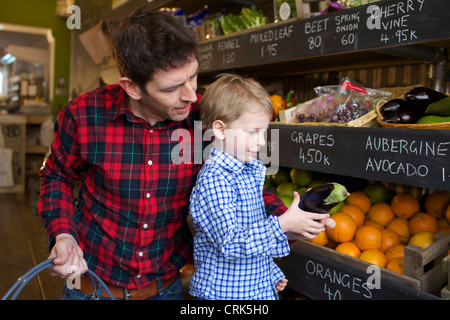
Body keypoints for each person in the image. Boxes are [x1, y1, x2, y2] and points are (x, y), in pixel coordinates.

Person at [38, 5, 330, 300]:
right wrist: (63, 235)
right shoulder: (84, 116)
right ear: (132, 87)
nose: (191, 95)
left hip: (167, 289)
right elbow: (56, 177)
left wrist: (292, 220)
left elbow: (245, 182)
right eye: (173, 88)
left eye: (192, 77)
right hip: (91, 288)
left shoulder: (208, 119)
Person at [188, 74, 334, 300]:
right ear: (220, 130)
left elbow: (253, 233)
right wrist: (282, 224)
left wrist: (270, 271)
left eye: (263, 132)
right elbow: (231, 243)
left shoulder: (249, 171)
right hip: (226, 296)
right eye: (252, 132)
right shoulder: (215, 180)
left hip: (254, 289)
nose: (262, 141)